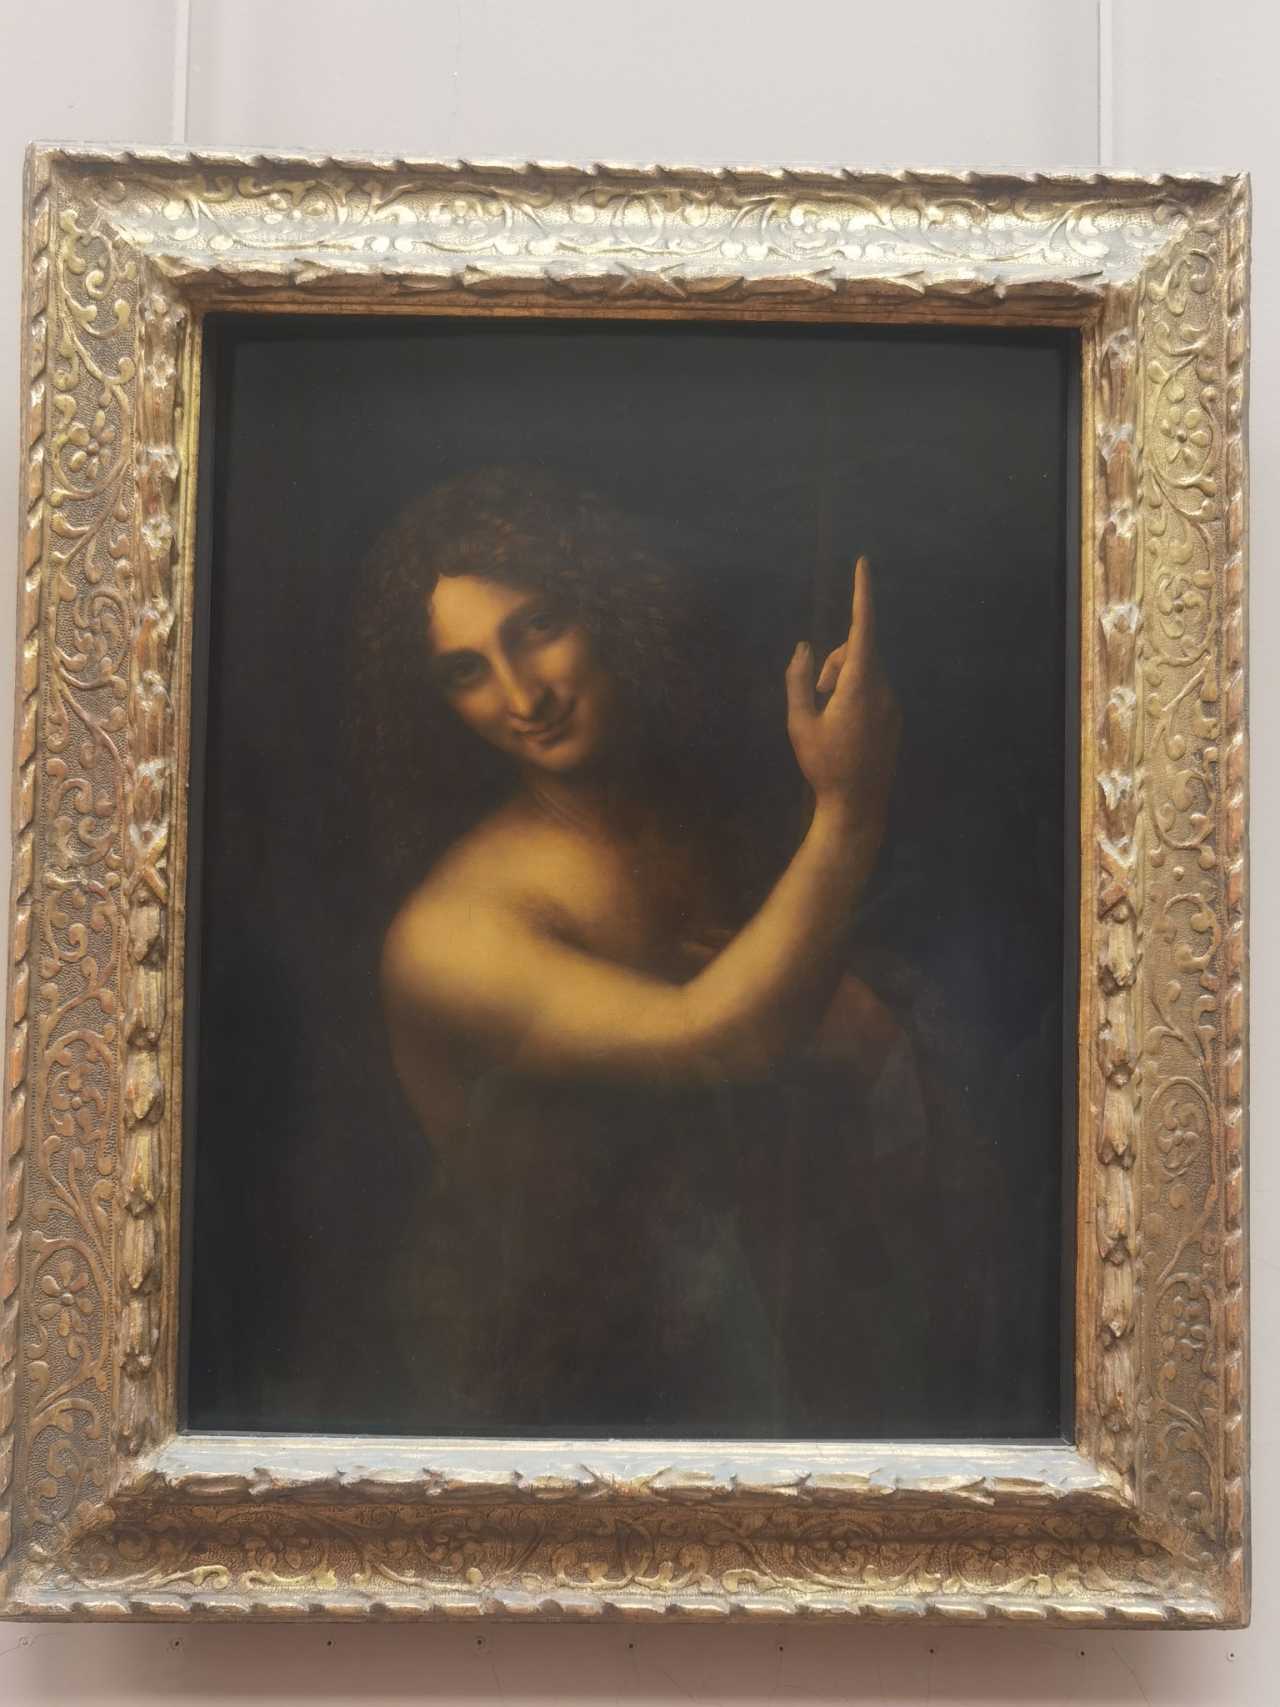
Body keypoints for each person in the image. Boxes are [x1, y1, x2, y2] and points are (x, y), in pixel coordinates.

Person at [360, 466, 911, 1432]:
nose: (523, 694)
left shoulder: (671, 813)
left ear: (605, 606)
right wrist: (849, 810)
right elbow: (717, 1037)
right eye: (467, 670)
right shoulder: (449, 929)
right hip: (540, 1365)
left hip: (719, 1307)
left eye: (538, 626)